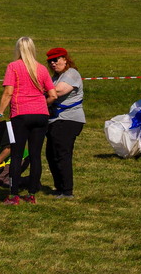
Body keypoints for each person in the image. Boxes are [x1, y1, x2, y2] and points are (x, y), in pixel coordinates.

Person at [0, 37, 57, 205]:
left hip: (20, 115)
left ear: (18, 49)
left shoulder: (13, 67)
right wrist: (41, 103)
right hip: (41, 115)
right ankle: (31, 194)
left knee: (17, 154)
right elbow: (53, 95)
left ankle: (13, 195)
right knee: (35, 155)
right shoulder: (42, 69)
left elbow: (8, 93)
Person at [45, 47, 85, 198]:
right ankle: (59, 187)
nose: (53, 63)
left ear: (65, 59)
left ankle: (67, 190)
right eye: (50, 61)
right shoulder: (56, 77)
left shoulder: (71, 74)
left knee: (62, 154)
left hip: (69, 119)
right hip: (55, 120)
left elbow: (57, 92)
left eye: (56, 60)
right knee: (51, 154)